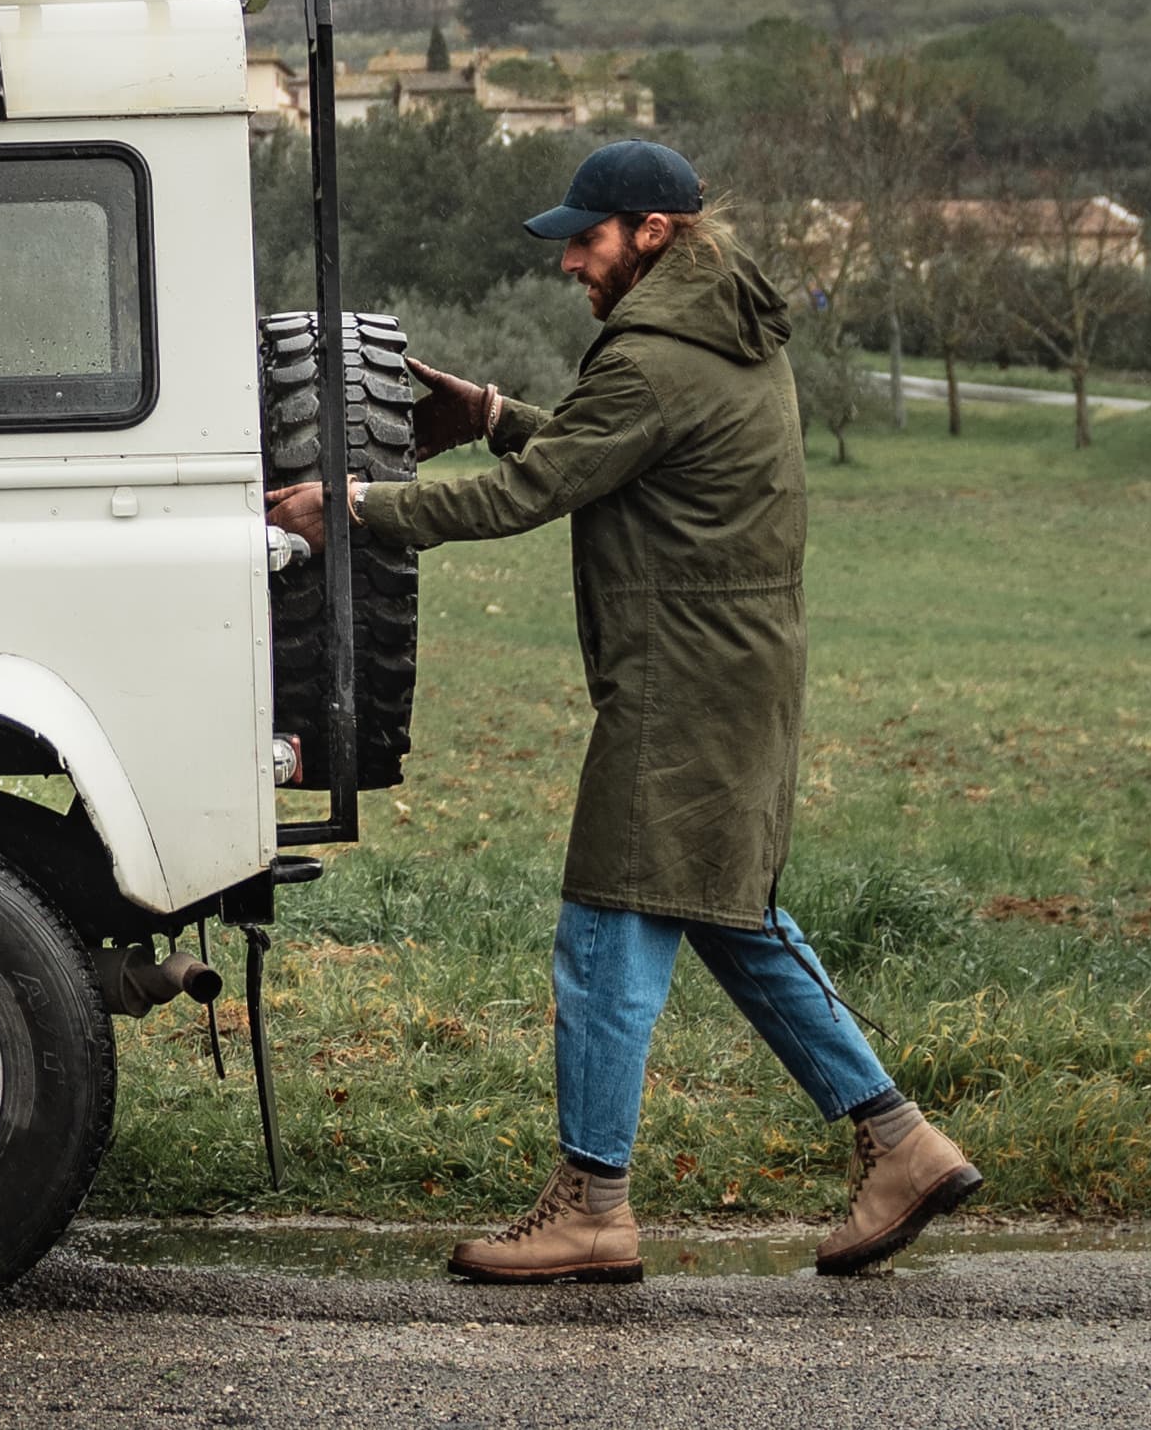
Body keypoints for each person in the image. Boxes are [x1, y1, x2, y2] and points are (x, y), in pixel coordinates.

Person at [266, 139, 981, 1285]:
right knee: (728, 917)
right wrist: (497, 409)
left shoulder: (653, 357)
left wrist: (347, 504)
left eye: (584, 240)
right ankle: (901, 1143)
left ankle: (592, 1205)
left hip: (679, 685)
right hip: (733, 669)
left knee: (604, 931)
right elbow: (618, 454)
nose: (567, 264)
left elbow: (535, 493)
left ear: (651, 233)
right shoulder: (720, 332)